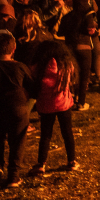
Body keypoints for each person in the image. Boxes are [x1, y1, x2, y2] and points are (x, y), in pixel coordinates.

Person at [0, 31, 32, 188]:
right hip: (17, 107)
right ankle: (13, 176)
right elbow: (33, 87)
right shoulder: (20, 67)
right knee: (17, 141)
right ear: (14, 48)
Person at [28, 40, 78, 176]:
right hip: (64, 104)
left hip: (45, 105)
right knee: (67, 133)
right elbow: (72, 81)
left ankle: (41, 164)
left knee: (45, 135)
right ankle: (72, 161)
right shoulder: (67, 65)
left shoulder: (38, 67)